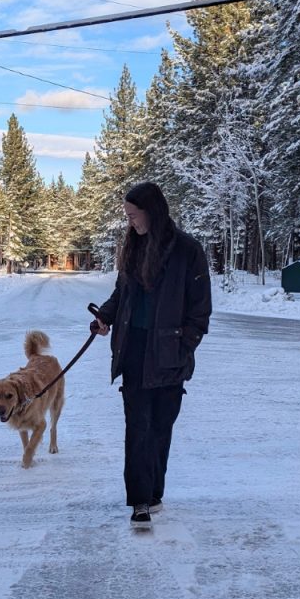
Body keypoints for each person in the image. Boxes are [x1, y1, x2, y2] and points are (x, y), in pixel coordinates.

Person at [91, 182, 211, 529]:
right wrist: (105, 317)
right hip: (134, 351)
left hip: (169, 354)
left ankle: (154, 493)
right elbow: (121, 293)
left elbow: (200, 309)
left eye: (133, 215)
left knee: (161, 427)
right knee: (138, 428)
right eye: (126, 216)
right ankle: (140, 501)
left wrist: (183, 344)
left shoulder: (188, 250)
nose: (129, 222)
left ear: (152, 211)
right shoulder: (133, 246)